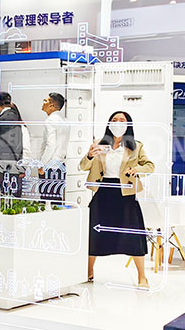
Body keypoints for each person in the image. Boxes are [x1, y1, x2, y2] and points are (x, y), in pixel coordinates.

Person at [79, 111, 156, 288]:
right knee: (94, 233)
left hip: (126, 193)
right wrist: (90, 155)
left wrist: (136, 170)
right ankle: (88, 271)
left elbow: (150, 166)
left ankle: (142, 277)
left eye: (122, 120)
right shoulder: (99, 144)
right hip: (103, 191)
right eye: (114, 120)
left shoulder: (135, 146)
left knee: (134, 235)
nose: (118, 123)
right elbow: (83, 166)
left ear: (128, 124)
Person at [37, 92, 71, 169]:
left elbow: (51, 145)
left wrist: (42, 164)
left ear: (51, 105)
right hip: (61, 164)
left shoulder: (50, 120)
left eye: (45, 101)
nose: (43, 103)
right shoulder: (65, 121)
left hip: (49, 165)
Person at [0, 92, 23, 161]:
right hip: (12, 159)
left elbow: (3, 143)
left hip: (4, 160)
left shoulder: (5, 118)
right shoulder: (14, 116)